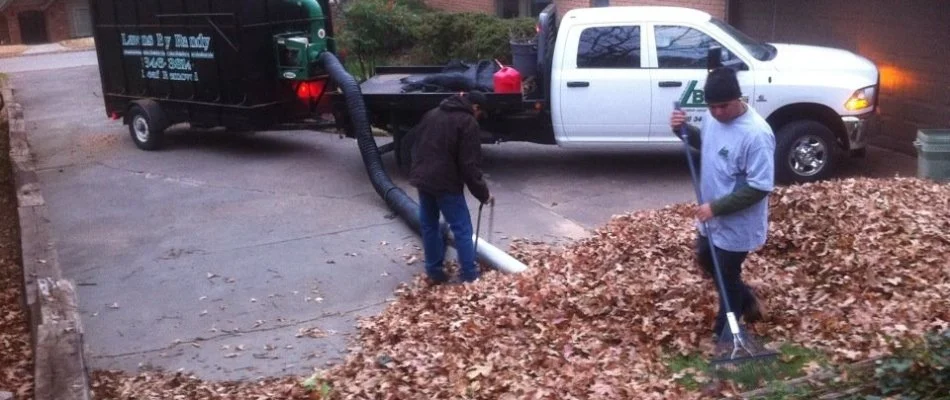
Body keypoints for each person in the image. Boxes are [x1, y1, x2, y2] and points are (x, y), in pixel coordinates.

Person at [669, 67, 776, 338]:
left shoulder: (756, 135)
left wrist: (715, 208)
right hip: (710, 217)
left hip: (737, 221)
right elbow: (707, 143)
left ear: (738, 98)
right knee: (706, 259)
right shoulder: (712, 117)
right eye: (712, 106)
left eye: (723, 106)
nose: (717, 112)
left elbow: (759, 187)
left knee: (726, 273)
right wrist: (681, 129)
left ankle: (725, 331)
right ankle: (747, 299)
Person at [409, 91, 493, 284]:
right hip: (445, 183)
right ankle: (470, 276)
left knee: (429, 225)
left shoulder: (432, 113)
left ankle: (434, 272)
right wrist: (483, 194)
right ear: (476, 107)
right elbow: (469, 165)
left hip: (423, 179)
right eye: (480, 113)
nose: (479, 117)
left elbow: (416, 144)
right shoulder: (467, 122)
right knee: (462, 228)